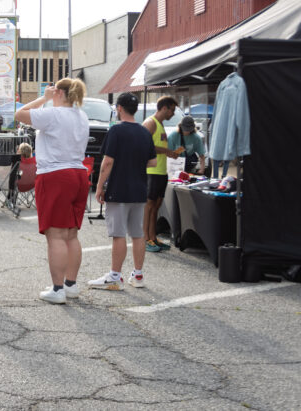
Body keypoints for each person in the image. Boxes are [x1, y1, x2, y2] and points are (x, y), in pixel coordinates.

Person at [14, 78, 91, 305]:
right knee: (71, 234)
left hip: (55, 175)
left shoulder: (53, 114)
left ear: (58, 92)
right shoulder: (82, 115)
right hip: (78, 173)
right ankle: (70, 285)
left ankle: (57, 289)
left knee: (55, 235)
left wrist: (43, 98)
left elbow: (19, 114)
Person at [88, 93, 156, 290]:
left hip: (119, 188)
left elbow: (107, 162)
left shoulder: (116, 130)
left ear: (119, 108)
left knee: (119, 234)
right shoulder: (144, 132)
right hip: (139, 189)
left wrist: (99, 186)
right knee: (137, 234)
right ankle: (138, 275)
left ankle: (115, 276)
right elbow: (152, 162)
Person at [143, 96, 178, 252]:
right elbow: (144, 145)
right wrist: (166, 151)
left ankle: (153, 237)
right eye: (172, 110)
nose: (173, 113)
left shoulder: (160, 124)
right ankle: (145, 239)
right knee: (149, 206)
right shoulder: (150, 123)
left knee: (156, 206)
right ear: (164, 108)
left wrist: (169, 153)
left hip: (161, 171)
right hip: (151, 171)